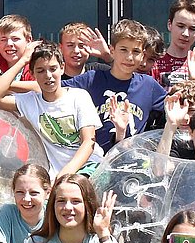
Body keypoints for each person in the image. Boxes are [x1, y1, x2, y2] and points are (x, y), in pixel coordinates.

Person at [0, 43, 101, 178]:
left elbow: (88, 142)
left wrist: (66, 173)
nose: (48, 75)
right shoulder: (29, 101)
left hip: (89, 167)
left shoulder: (79, 96)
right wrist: (23, 60)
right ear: (32, 74)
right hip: (54, 174)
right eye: (40, 71)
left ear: (62, 68)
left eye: (53, 69)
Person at [66, 20, 166, 154]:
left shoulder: (148, 85)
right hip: (95, 161)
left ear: (143, 55)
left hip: (133, 163)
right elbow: (52, 89)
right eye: (123, 50)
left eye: (136, 51)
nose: (129, 57)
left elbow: (178, 106)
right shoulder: (91, 79)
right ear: (112, 50)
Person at [149, 0, 195, 96]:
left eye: (192, 29)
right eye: (180, 26)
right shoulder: (153, 62)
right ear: (169, 24)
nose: (185, 33)